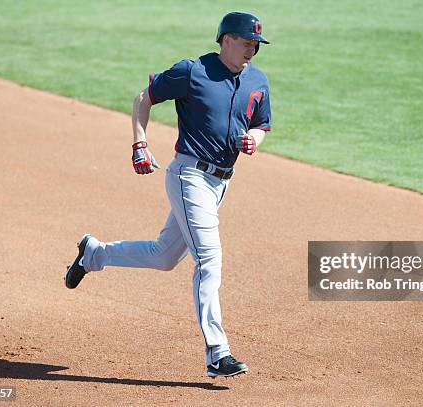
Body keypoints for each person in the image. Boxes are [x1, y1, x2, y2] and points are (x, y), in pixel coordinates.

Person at [64, 11, 271, 378]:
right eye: (245, 42)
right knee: (209, 259)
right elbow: (144, 96)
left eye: (256, 44)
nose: (251, 49)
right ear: (225, 40)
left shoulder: (257, 80)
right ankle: (217, 353)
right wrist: (139, 142)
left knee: (163, 256)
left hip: (221, 183)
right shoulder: (193, 71)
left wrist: (252, 140)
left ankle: (94, 253)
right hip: (188, 176)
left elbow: (261, 124)